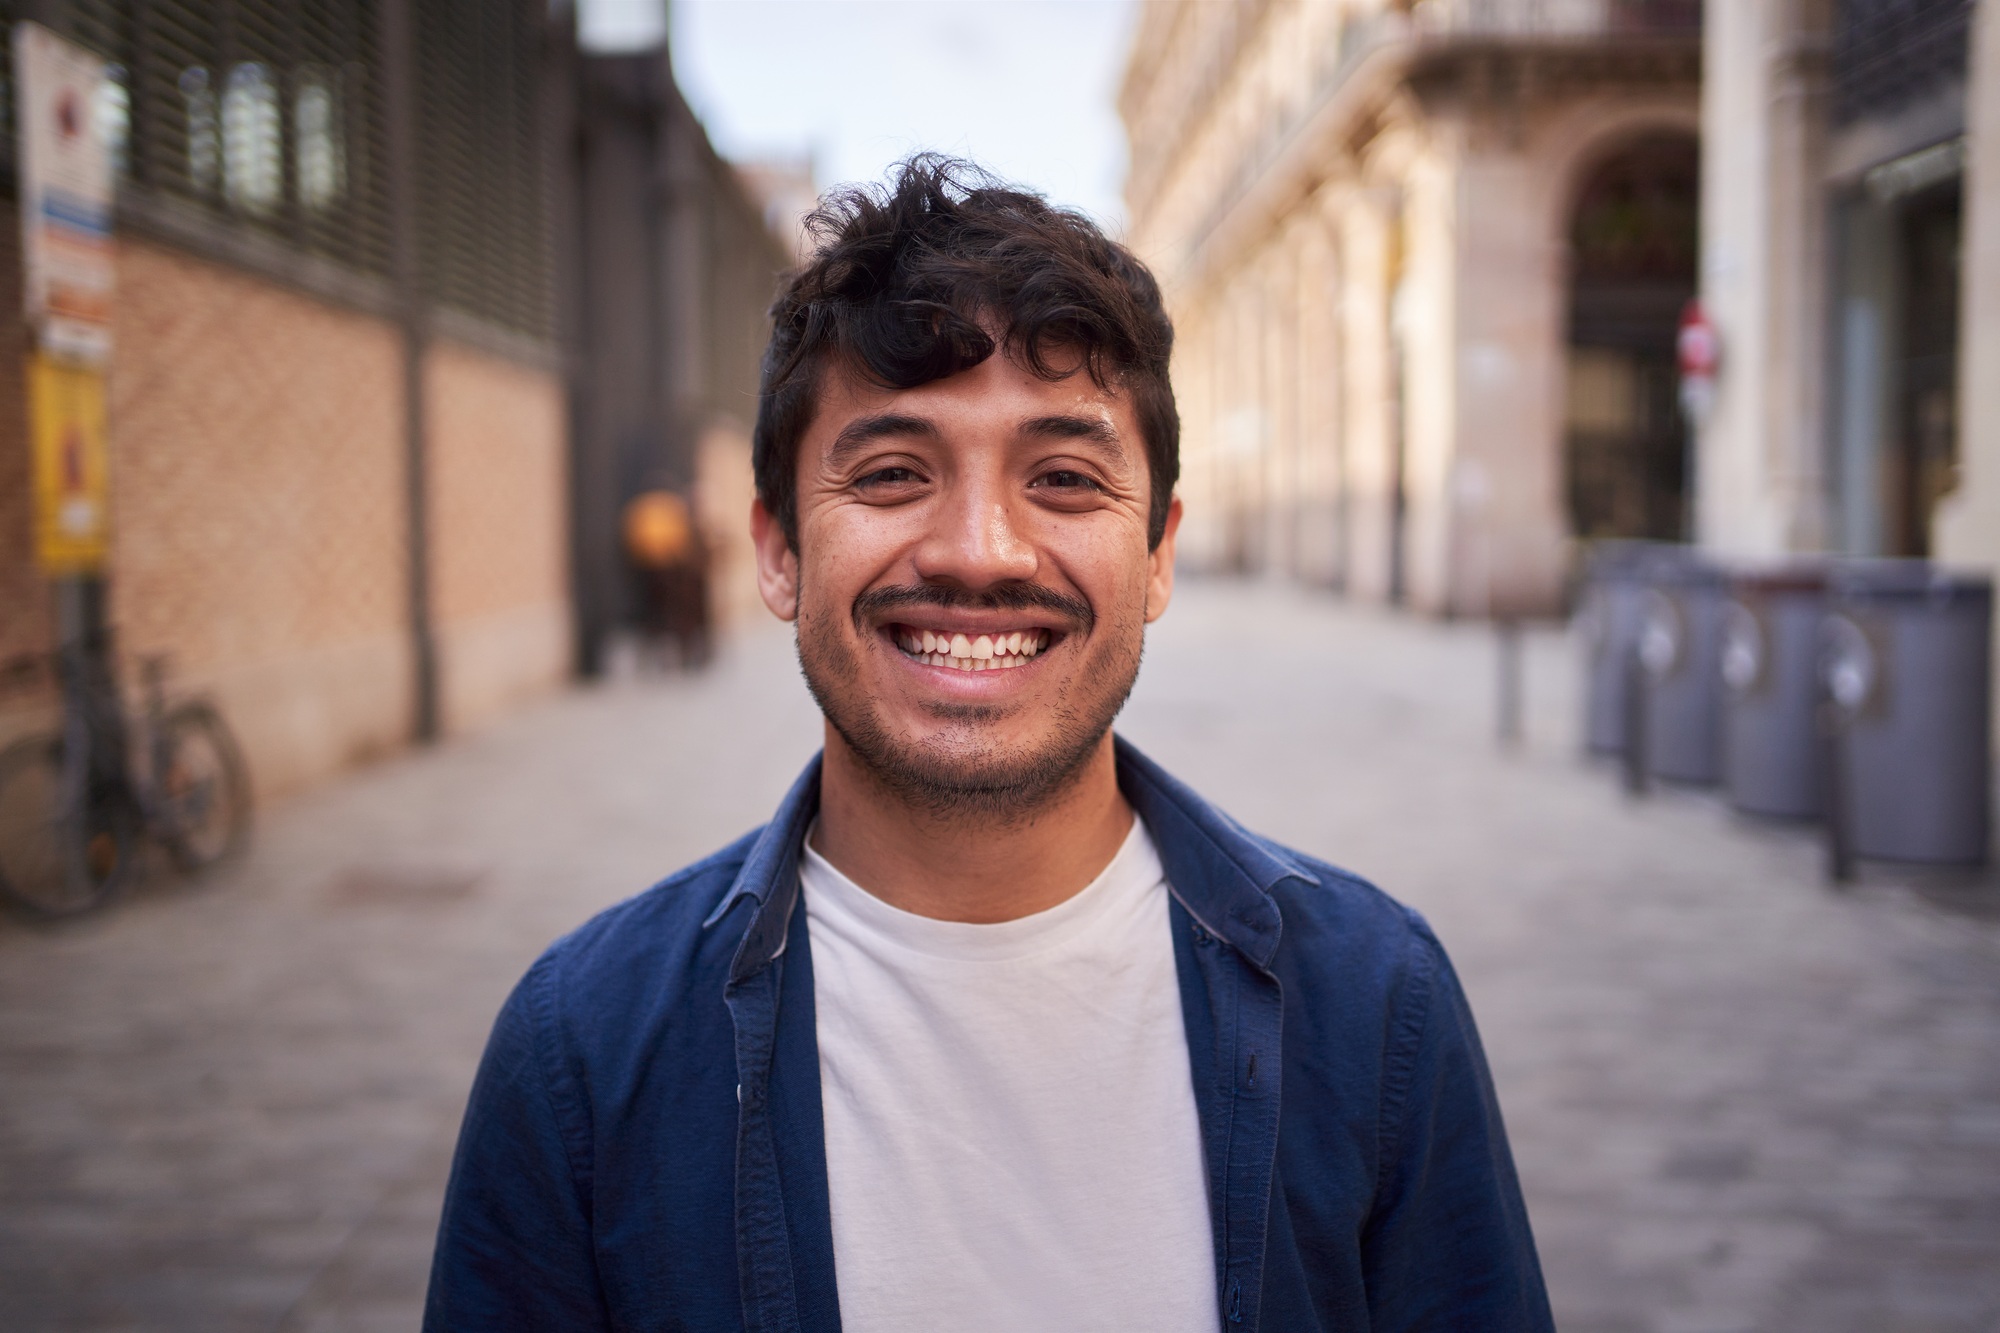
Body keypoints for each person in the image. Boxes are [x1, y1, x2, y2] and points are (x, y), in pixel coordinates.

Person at [424, 156, 1553, 1333]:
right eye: (893, 473)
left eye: (1062, 478)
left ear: (1156, 552)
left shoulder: (1375, 1007)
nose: (980, 550)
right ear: (777, 551)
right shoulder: (582, 1055)